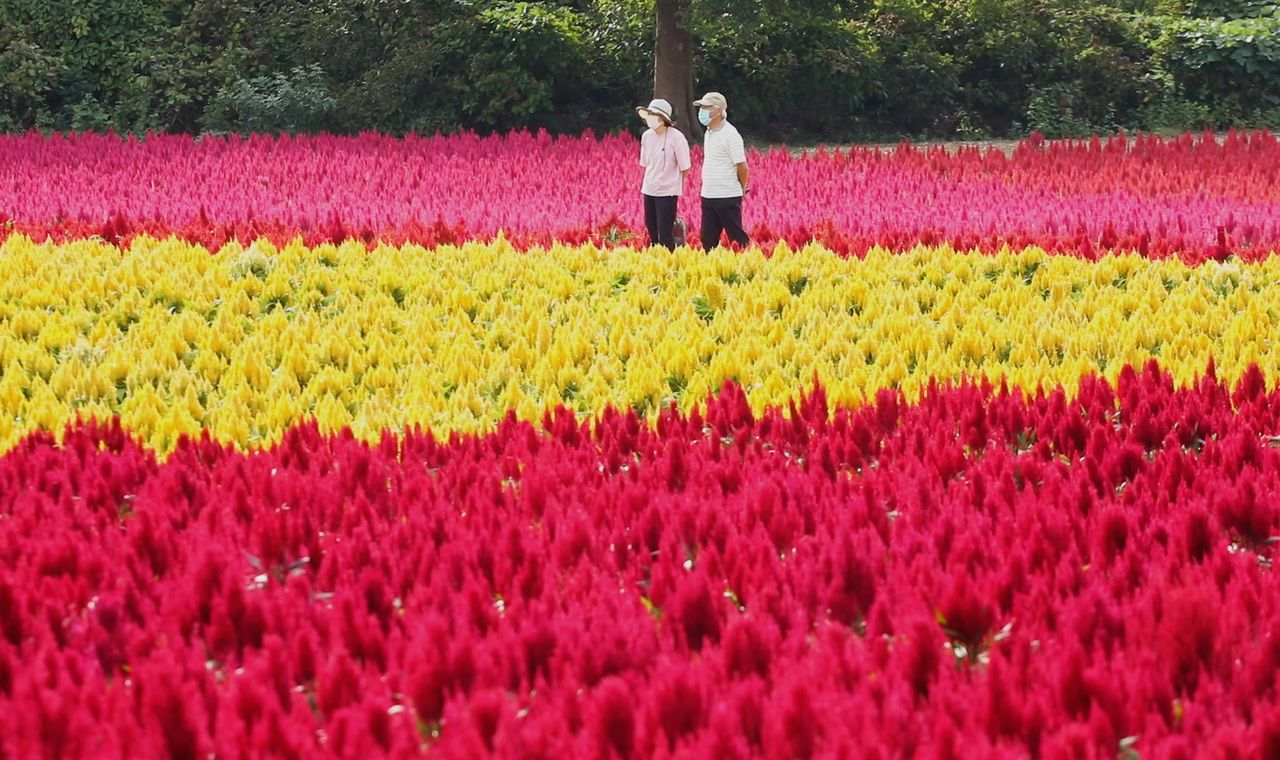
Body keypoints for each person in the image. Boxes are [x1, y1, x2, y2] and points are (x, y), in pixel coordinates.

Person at [693, 91, 749, 250]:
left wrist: (742, 188)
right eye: (701, 107)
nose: (701, 111)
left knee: (737, 238)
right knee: (707, 240)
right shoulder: (709, 133)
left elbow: (742, 166)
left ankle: (750, 266)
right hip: (708, 195)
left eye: (705, 107)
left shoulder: (731, 134)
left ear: (717, 111)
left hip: (727, 195)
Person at [636, 98, 691, 249]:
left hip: (667, 193)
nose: (649, 119)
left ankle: (671, 262)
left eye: (652, 115)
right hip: (649, 189)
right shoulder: (647, 136)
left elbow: (685, 167)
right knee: (652, 231)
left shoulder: (676, 137)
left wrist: (676, 187)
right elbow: (646, 163)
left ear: (661, 119)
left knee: (665, 234)